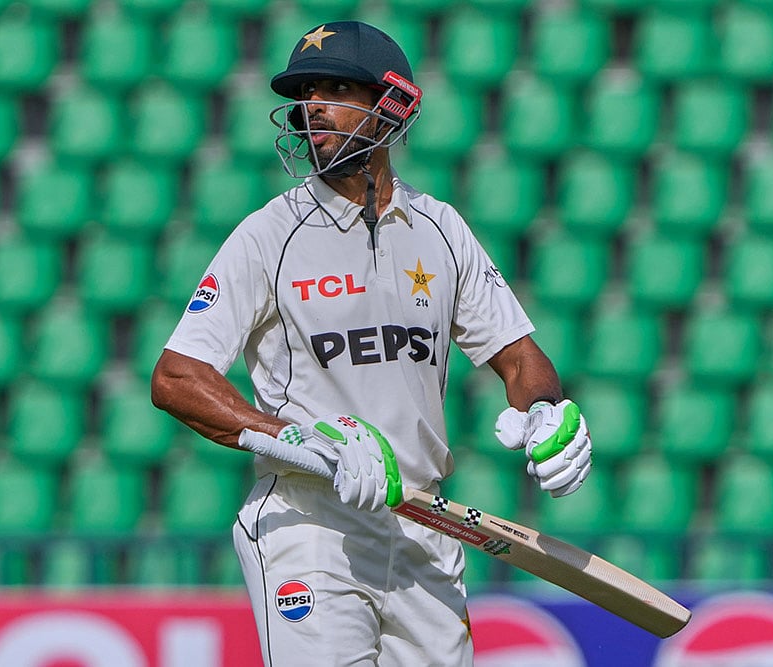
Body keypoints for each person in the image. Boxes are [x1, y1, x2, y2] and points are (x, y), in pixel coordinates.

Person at [151, 20, 592, 666]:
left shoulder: (441, 230)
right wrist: (299, 440)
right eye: (307, 92)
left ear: (390, 106)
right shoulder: (269, 235)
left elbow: (521, 357)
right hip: (309, 525)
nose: (314, 107)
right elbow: (176, 376)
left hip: (426, 532)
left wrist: (545, 410)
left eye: (336, 87)